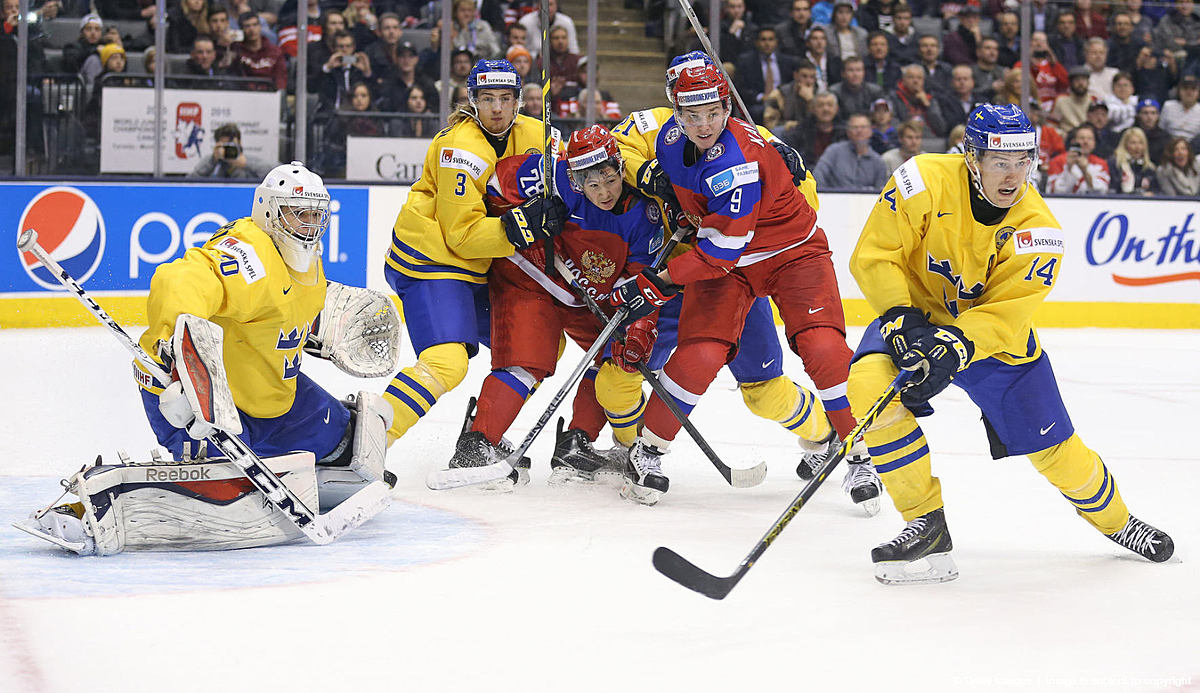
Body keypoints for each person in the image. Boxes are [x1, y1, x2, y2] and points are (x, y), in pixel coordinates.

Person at [847, 103, 1174, 585]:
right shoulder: (921, 179)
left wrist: (958, 343)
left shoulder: (1039, 228)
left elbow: (1008, 311)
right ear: (970, 157)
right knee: (868, 387)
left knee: (1054, 449)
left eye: (1024, 161)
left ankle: (1118, 521)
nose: (1014, 175)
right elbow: (877, 254)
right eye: (1001, 162)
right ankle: (926, 523)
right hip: (916, 318)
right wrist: (899, 317)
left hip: (991, 343)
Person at [21, 162, 400, 556]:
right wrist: (176, 357)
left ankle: (298, 467)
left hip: (273, 397)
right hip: (197, 398)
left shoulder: (308, 262)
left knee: (352, 439)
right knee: (222, 490)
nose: (308, 225)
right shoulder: (251, 254)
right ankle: (92, 504)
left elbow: (281, 312)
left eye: (315, 215)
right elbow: (180, 279)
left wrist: (320, 330)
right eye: (297, 213)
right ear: (270, 211)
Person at [607, 52, 882, 511]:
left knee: (823, 348)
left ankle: (859, 452)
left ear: (727, 107)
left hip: (791, 252)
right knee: (700, 353)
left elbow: (717, 254)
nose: (705, 124)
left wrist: (653, 283)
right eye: (693, 114)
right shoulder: (668, 140)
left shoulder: (737, 164)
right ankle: (648, 450)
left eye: (714, 112)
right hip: (732, 261)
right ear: (676, 112)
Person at [442, 126, 660, 489]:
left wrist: (637, 324)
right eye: (592, 185)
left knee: (616, 353)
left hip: (585, 295)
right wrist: (525, 216)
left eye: (610, 178)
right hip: (531, 277)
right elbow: (495, 184)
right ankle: (477, 444)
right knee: (528, 361)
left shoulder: (643, 215)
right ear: (575, 181)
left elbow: (637, 279)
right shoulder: (549, 176)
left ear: (622, 168)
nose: (604, 192)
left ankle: (576, 443)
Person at [380, 59, 558, 480]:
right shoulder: (460, 149)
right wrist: (524, 226)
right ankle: (366, 440)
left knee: (537, 345)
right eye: (487, 99)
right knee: (447, 362)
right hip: (435, 260)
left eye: (506, 99)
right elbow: (462, 234)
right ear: (473, 102)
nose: (497, 108)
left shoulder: (539, 134)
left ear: (519, 101)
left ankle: (480, 436)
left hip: (485, 268)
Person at [815, 112, 891, 189]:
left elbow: (880, 191)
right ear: (848, 132)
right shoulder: (833, 151)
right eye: (855, 127)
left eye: (863, 127)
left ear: (870, 131)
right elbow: (818, 175)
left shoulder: (878, 162)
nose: (859, 131)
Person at [187, 122, 275, 179]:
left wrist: (246, 164)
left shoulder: (250, 161)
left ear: (239, 143)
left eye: (231, 145)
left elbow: (275, 174)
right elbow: (190, 180)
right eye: (225, 146)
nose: (228, 149)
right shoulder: (212, 162)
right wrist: (213, 161)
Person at [1047, 124, 1111, 194]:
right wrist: (1069, 168)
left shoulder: (1101, 164)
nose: (1086, 142)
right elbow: (1054, 191)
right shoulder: (1057, 161)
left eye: (1090, 139)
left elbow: (1102, 191)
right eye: (1082, 138)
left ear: (1094, 143)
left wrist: (1085, 171)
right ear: (1073, 141)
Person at [232, 12, 286, 90]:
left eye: (255, 25)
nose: (252, 29)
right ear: (241, 29)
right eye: (247, 26)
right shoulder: (236, 50)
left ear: (260, 27)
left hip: (270, 95)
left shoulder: (275, 52)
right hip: (244, 95)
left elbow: (281, 78)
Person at [1107, 126, 1158, 194]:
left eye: (1141, 143)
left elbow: (1155, 190)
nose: (1137, 147)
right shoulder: (1115, 163)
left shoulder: (1149, 168)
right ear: (1125, 145)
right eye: (1133, 143)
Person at [1161, 75, 1200, 141]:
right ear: (1179, 91)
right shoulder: (1168, 106)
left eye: (1193, 89)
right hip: (1169, 145)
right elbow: (1161, 129)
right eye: (1185, 88)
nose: (1189, 92)